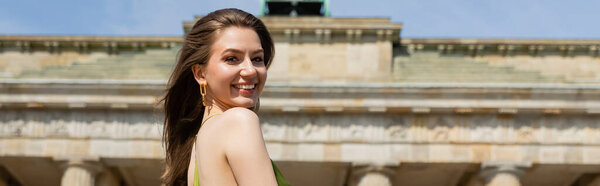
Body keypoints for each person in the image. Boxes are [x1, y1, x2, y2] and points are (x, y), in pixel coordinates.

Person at [161, 8, 291, 186]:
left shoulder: (196, 148)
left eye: (257, 59)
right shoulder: (239, 121)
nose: (250, 70)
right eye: (232, 59)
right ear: (200, 74)